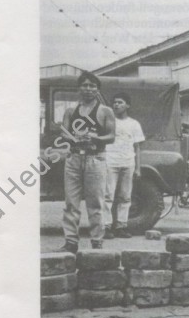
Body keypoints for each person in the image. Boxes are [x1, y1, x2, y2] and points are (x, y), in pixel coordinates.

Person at [58, 71, 114, 252]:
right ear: (78, 88)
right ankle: (70, 242)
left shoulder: (105, 111)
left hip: (95, 158)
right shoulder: (70, 111)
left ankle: (97, 241)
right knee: (71, 202)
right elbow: (63, 133)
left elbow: (111, 136)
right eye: (85, 85)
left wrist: (95, 138)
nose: (88, 89)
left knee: (96, 202)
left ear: (97, 89)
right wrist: (73, 138)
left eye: (92, 86)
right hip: (74, 158)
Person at [102, 94, 146, 236]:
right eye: (114, 102)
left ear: (127, 105)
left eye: (120, 102)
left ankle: (121, 226)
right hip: (110, 161)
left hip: (128, 162)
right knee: (108, 195)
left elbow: (138, 147)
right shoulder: (108, 121)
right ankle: (106, 226)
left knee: (125, 196)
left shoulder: (134, 124)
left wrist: (138, 168)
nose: (116, 105)